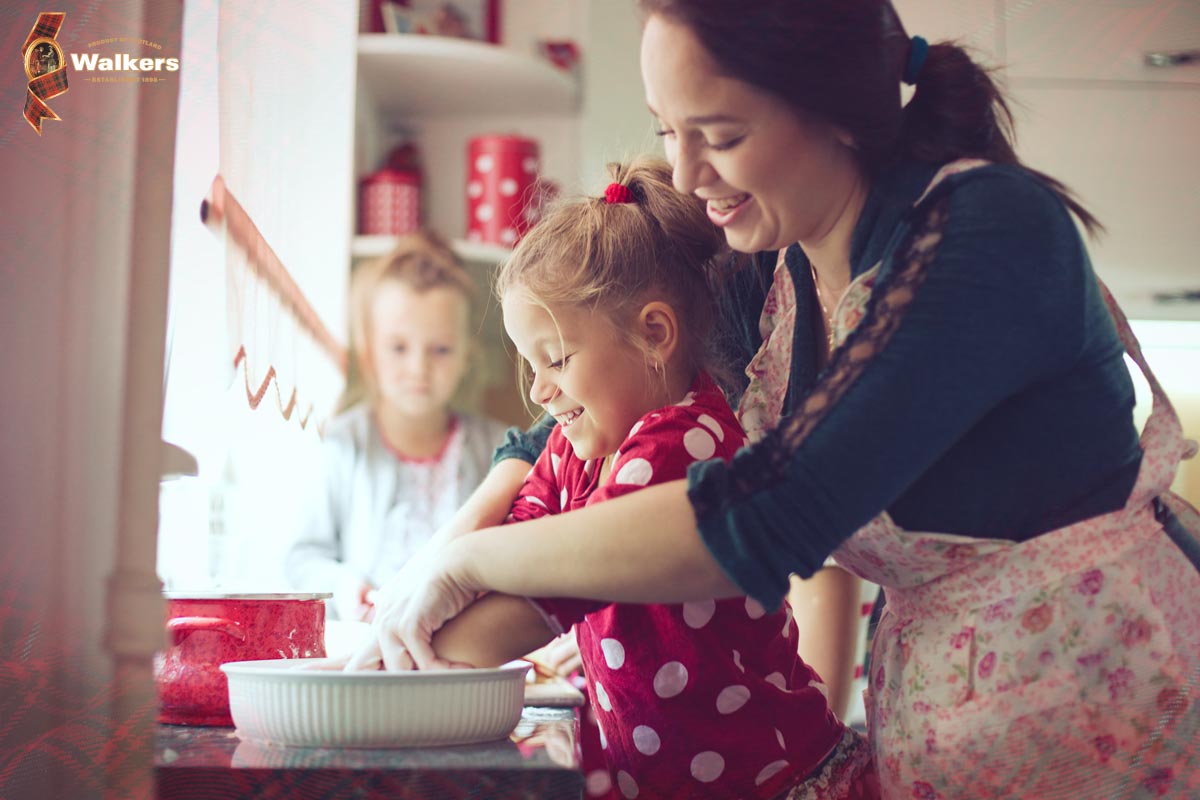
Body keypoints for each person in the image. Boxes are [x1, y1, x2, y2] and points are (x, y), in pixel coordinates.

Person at [354, 2, 1200, 796]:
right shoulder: (770, 266)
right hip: (949, 728)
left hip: (1116, 715)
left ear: (833, 110)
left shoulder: (987, 232)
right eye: (667, 131)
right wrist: (445, 552)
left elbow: (766, 515)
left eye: (717, 134)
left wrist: (469, 563)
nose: (686, 172)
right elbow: (567, 415)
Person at [365, 157, 877, 799]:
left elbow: (549, 588)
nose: (540, 390)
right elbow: (523, 526)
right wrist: (415, 613)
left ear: (654, 334)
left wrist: (387, 663)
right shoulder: (580, 444)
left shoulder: (682, 443)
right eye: (530, 365)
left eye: (556, 360)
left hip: (777, 785)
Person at [284, 231, 507, 621]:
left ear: (466, 356)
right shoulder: (340, 444)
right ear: (369, 354)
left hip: (465, 650)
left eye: (440, 350)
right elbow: (303, 556)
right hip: (366, 647)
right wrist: (348, 590)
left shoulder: (499, 450)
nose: (418, 369)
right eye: (398, 348)